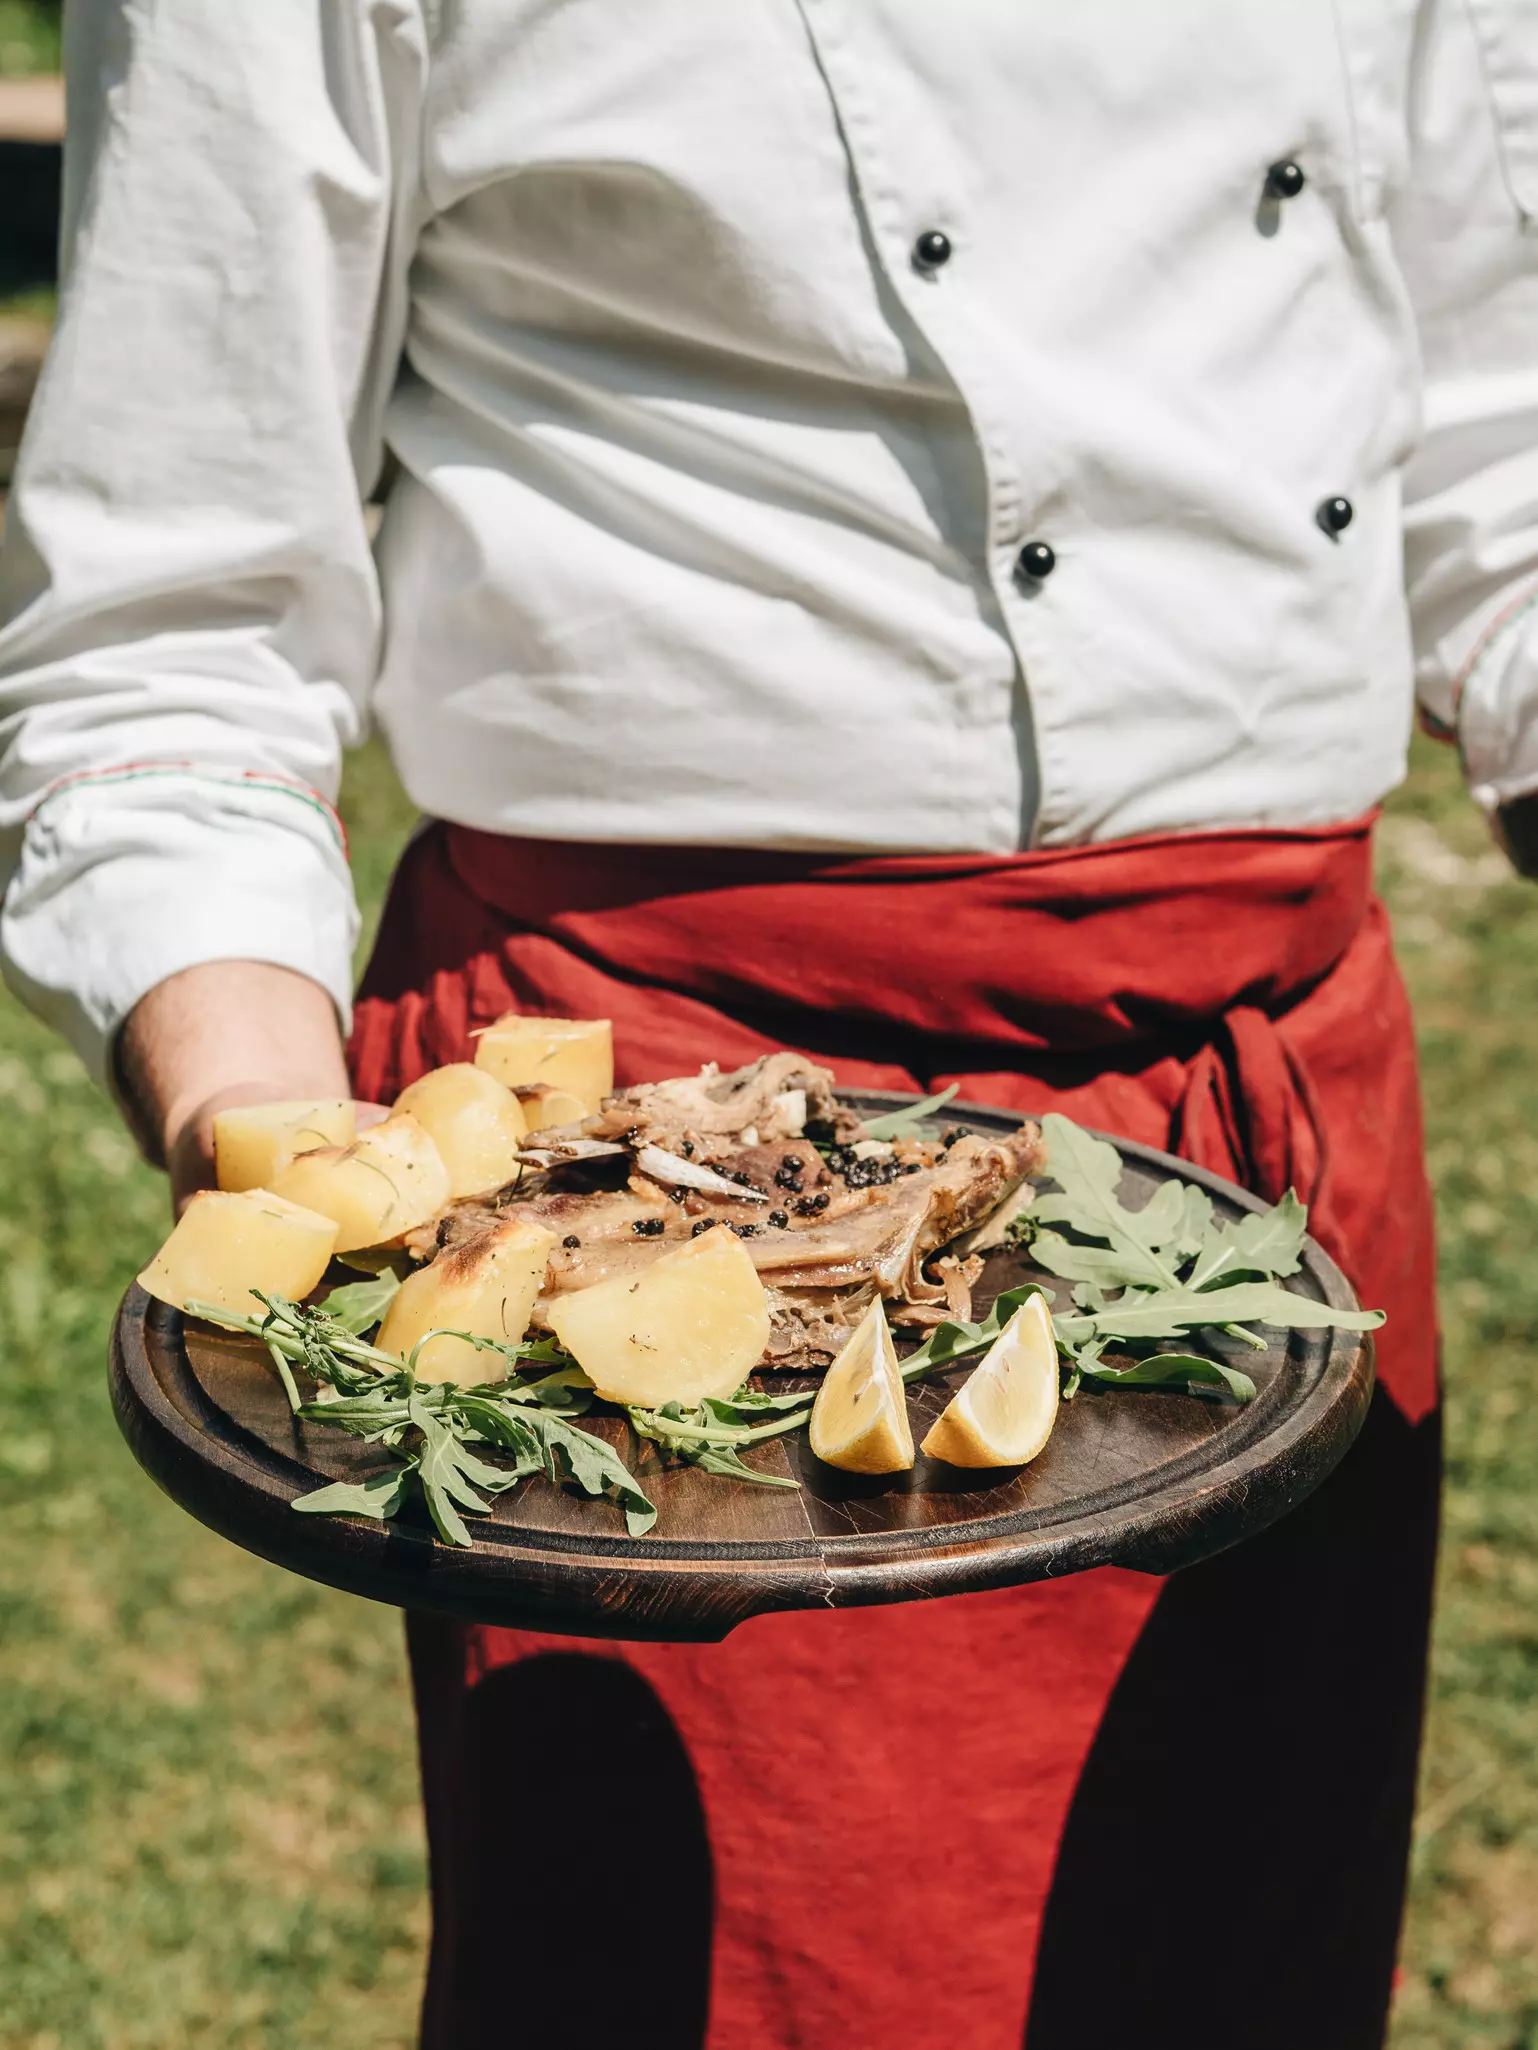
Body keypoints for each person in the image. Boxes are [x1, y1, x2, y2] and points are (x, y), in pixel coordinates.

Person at [2, 4, 1533, 2044]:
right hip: (660, 1179)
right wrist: (307, 1160)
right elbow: (171, 635)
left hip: (1276, 1147)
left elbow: (1490, 426)